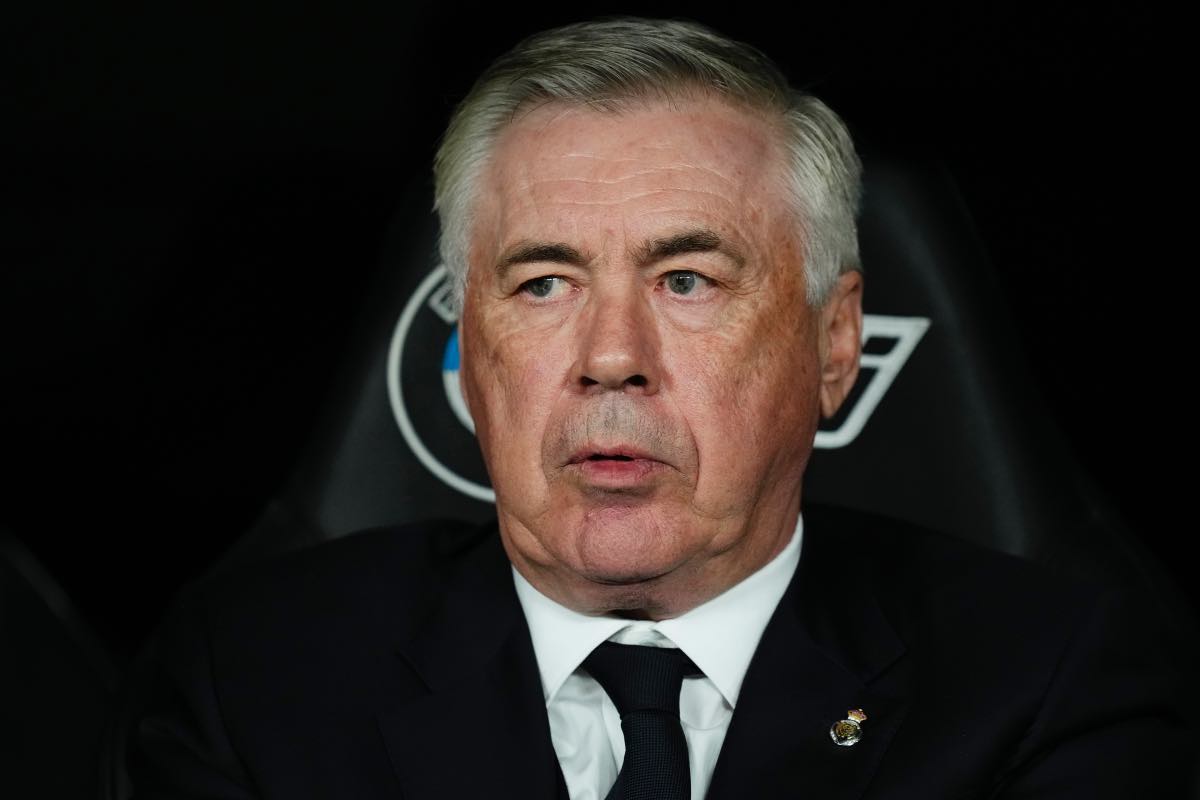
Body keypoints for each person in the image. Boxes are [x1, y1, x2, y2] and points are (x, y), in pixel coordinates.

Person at [128, 16, 1196, 799]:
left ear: (834, 346)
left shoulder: (1049, 683)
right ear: (472, 350)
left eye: (687, 280)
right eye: (544, 282)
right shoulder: (254, 678)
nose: (610, 358)